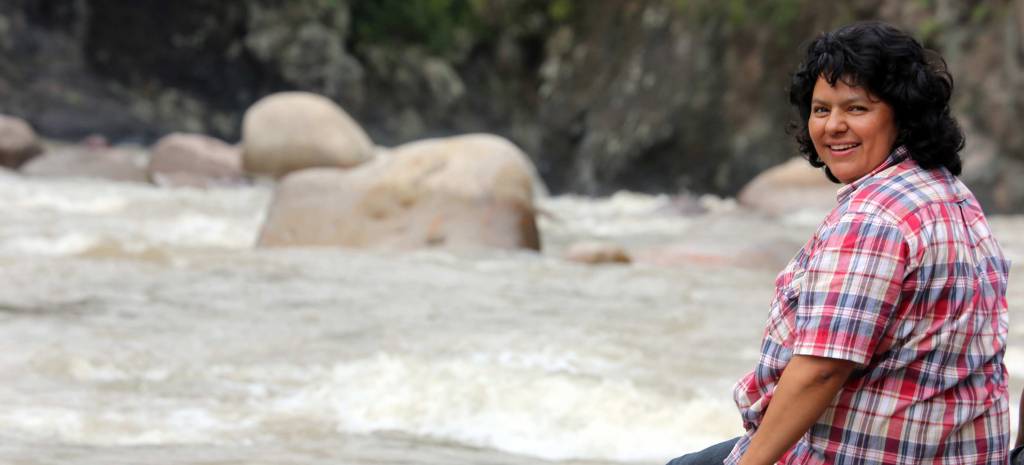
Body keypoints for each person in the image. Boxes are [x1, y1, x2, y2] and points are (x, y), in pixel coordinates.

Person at [667, 21, 1010, 465]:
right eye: (821, 109)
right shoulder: (949, 193)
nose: (834, 126)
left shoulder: (874, 219)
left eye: (857, 108)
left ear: (903, 114)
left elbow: (822, 369)